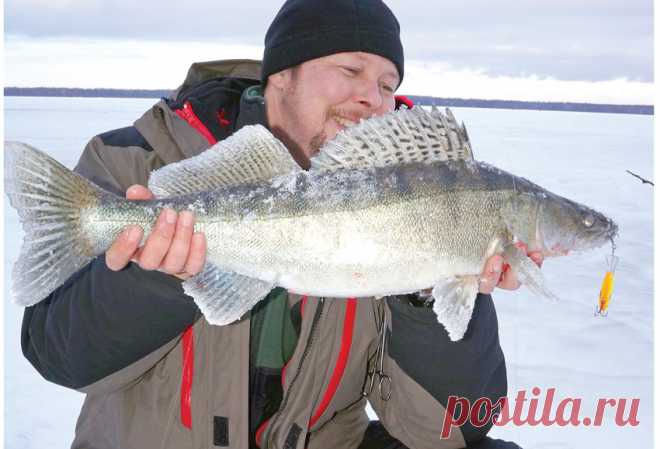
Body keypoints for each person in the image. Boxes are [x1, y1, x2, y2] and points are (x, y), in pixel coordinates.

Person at [21, 1, 542, 448]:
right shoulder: (137, 161)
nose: (373, 98)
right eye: (350, 70)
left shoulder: (414, 200)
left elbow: (450, 430)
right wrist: (155, 276)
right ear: (281, 75)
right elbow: (60, 357)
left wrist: (430, 290)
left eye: (388, 84)